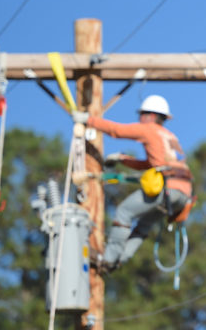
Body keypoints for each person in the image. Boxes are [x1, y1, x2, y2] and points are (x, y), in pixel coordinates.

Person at [72, 94, 192, 272]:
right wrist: (123, 159)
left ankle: (107, 259)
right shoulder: (169, 136)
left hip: (167, 188)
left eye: (141, 115)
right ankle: (119, 260)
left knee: (123, 212)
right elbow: (150, 164)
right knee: (144, 225)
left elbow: (117, 131)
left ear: (150, 116)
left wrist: (87, 120)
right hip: (183, 194)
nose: (139, 119)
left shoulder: (149, 129)